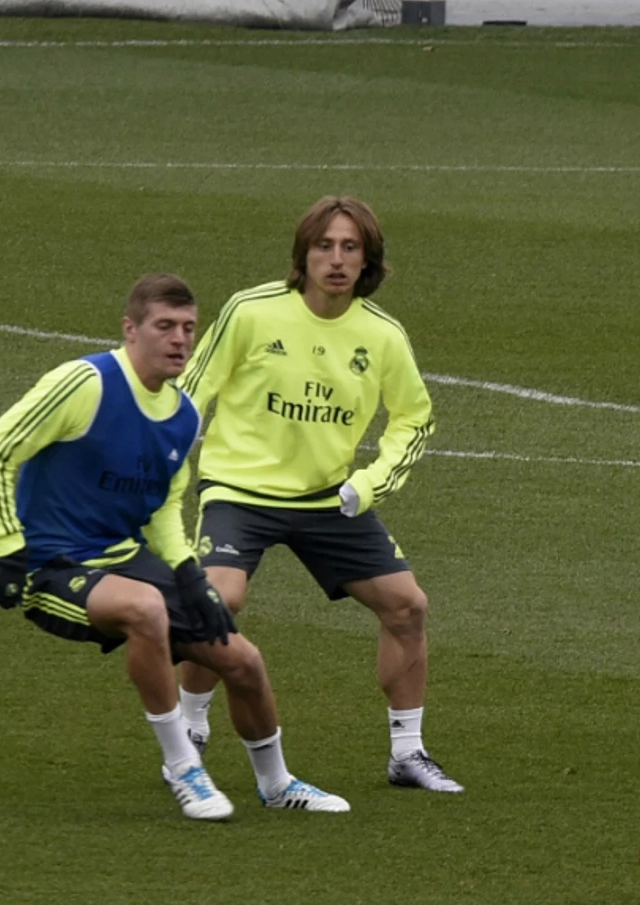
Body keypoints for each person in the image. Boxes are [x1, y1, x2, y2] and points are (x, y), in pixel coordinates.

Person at [0, 273, 348, 820]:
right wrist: (10, 550)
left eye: (189, 328)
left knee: (243, 662)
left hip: (122, 560)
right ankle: (185, 768)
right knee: (145, 608)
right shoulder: (85, 383)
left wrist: (190, 574)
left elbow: (164, 505)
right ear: (131, 330)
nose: (179, 339)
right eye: (165, 326)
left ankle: (276, 783)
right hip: (53, 564)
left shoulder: (184, 413)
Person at [174, 197, 459, 793]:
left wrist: (369, 483)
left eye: (349, 247)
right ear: (302, 255)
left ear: (367, 260)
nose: (335, 259)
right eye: (324, 246)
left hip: (330, 498)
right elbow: (190, 392)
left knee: (407, 605)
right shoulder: (250, 312)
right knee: (218, 600)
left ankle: (408, 752)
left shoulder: (381, 335)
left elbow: (415, 418)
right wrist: (167, 472)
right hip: (240, 488)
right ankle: (191, 726)